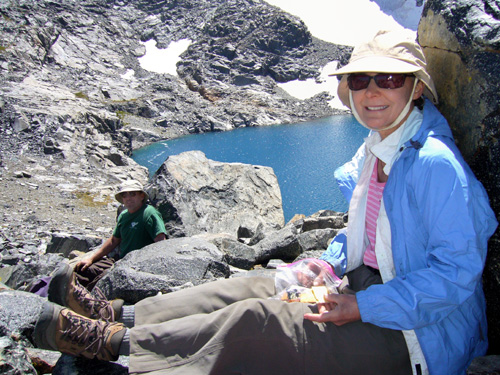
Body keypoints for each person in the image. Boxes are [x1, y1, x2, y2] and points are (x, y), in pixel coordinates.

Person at [33, 30, 497, 375]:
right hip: (365, 285)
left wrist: (361, 307)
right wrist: (328, 264)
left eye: (389, 78)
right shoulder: (379, 145)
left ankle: (113, 344)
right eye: (359, 80)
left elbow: (456, 274)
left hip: (418, 335)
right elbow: (374, 235)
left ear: (415, 88)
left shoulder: (435, 164)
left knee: (266, 320)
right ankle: (113, 313)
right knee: (255, 287)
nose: (372, 90)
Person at [73, 179, 167, 290]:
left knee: (105, 279)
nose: (128, 198)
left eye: (132, 194)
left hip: (137, 265)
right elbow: (114, 240)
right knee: (82, 269)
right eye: (124, 195)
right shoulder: (123, 215)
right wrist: (91, 259)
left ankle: (87, 299)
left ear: (142, 196)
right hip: (120, 261)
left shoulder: (149, 213)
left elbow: (161, 242)